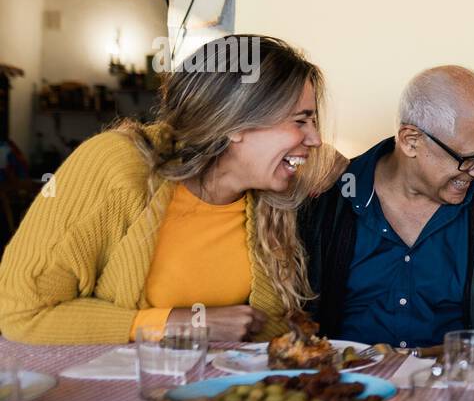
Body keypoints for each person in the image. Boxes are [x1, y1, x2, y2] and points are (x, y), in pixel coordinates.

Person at [0, 35, 333, 343]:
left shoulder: (269, 200)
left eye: (314, 122)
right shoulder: (118, 165)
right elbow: (21, 313)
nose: (315, 139)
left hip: (213, 396)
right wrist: (178, 323)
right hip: (103, 397)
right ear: (235, 124)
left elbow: (266, 330)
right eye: (300, 121)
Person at [300, 65, 474, 351]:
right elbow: (295, 317)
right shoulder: (327, 198)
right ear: (410, 141)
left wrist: (415, 361)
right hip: (342, 387)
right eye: (467, 158)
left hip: (458, 388)